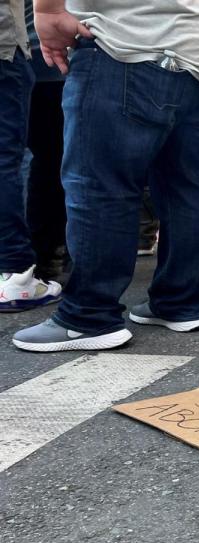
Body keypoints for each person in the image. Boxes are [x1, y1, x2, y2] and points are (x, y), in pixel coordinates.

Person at [14, 0, 199, 351]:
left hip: (127, 38)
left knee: (100, 184)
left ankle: (89, 315)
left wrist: (49, 11)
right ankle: (179, 303)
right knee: (187, 186)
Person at [0, 0, 62, 313]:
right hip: (14, 48)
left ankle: (22, 263)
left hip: (27, 49)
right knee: (13, 161)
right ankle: (16, 269)